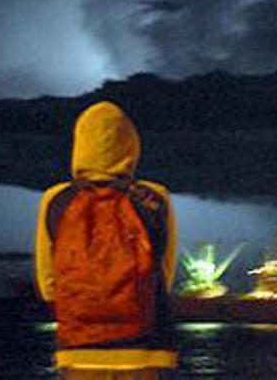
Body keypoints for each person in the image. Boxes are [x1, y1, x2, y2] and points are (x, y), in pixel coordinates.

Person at [35, 101, 178, 379]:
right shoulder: (154, 198)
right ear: (131, 146)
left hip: (78, 351)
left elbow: (48, 285)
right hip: (144, 351)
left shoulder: (56, 200)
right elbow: (164, 276)